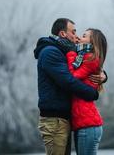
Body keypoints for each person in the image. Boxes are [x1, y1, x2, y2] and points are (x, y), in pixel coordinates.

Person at [33, 18, 107, 155]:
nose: (77, 36)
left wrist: (103, 75)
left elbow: (86, 64)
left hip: (64, 119)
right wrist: (93, 93)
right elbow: (68, 80)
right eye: (73, 32)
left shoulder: (63, 51)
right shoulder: (51, 52)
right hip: (55, 120)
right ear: (63, 34)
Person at [66, 28, 107, 155]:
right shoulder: (84, 56)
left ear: (92, 41)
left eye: (84, 36)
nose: (79, 37)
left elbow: (72, 77)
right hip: (84, 124)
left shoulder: (90, 59)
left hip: (88, 125)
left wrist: (71, 52)